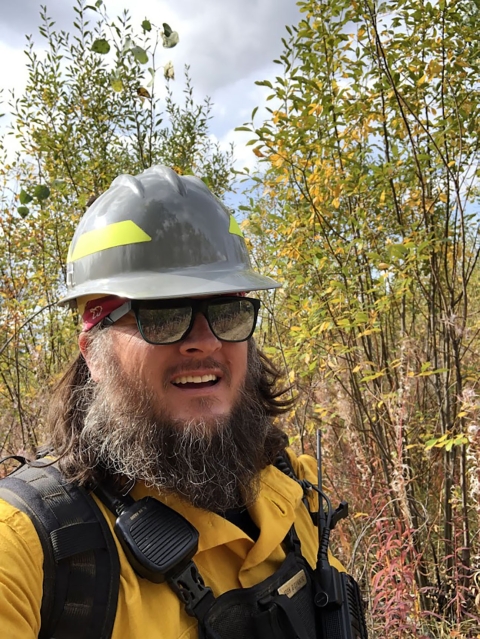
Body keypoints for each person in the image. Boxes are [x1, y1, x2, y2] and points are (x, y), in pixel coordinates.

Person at [0, 165, 347, 639]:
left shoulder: (292, 487)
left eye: (226, 310)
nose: (204, 342)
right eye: (162, 315)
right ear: (93, 354)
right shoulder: (28, 550)